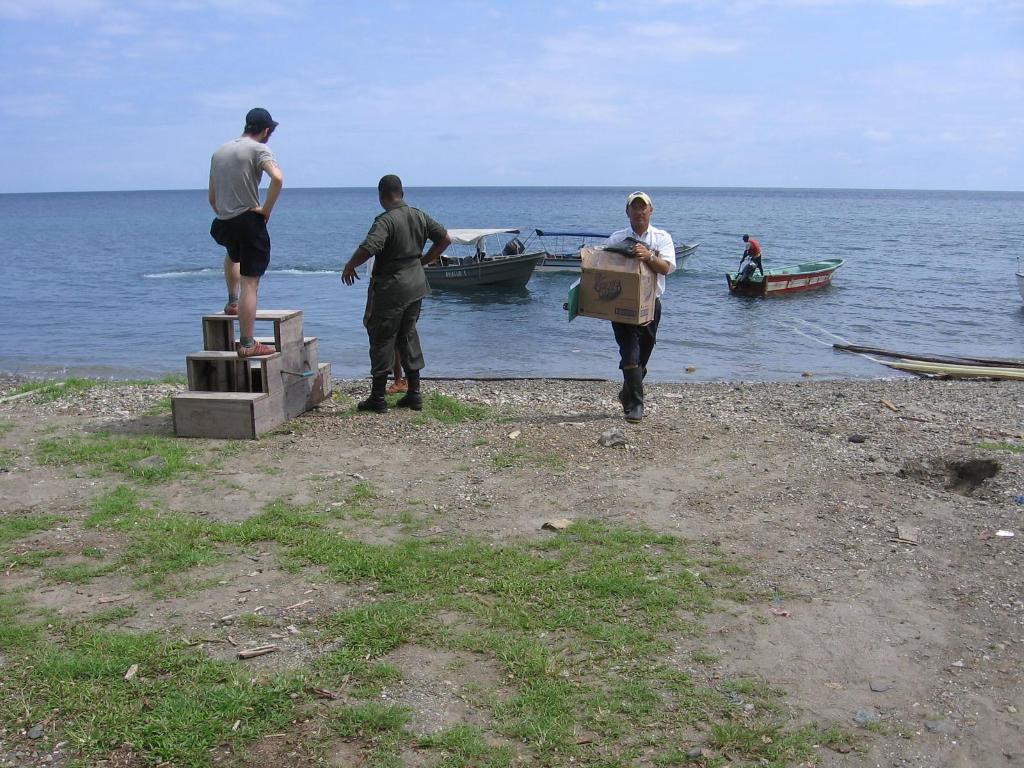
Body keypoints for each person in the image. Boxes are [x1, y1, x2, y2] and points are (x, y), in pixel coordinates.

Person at [342, 175, 451, 412]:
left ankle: (378, 398)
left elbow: (370, 247)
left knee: (382, 338)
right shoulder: (419, 215)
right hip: (416, 285)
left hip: (391, 288)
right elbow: (445, 239)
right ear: (402, 192)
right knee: (408, 335)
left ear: (382, 196)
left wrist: (350, 265)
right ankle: (414, 394)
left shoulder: (386, 220)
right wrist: (422, 261)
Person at [208, 107, 284, 358]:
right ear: (265, 131)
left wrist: (227, 211)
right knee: (251, 283)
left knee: (233, 254)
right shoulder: (259, 149)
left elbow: (212, 197)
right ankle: (248, 343)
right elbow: (277, 179)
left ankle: (232, 302)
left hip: (224, 219)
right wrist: (265, 210)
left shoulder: (219, 152)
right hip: (248, 219)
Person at [605, 191, 676, 423]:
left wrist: (648, 256)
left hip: (650, 304)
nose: (639, 211)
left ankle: (627, 392)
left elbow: (666, 268)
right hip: (620, 305)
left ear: (650, 210)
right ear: (627, 212)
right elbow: (601, 268)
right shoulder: (616, 238)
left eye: (643, 207)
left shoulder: (661, 237)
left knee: (643, 354)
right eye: (634, 207)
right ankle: (636, 406)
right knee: (629, 351)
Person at [361, 255, 407, 393]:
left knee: (380, 332)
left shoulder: (381, 236)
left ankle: (386, 386)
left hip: (381, 283)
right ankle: (401, 379)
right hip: (399, 282)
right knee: (400, 334)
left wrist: (350, 265)